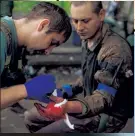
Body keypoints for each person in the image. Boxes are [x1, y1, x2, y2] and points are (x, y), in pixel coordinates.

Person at [24, 1, 133, 133]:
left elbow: (103, 100)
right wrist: (63, 91)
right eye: (75, 21)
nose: (79, 27)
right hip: (90, 103)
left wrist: (67, 106)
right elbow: (89, 75)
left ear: (101, 15)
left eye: (85, 21)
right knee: (30, 117)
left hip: (108, 115)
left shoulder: (115, 50)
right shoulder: (88, 39)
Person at [1, 2, 72, 110]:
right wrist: (26, 90)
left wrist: (39, 92)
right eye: (52, 42)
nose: (48, 52)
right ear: (43, 25)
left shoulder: (15, 42)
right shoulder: (2, 39)